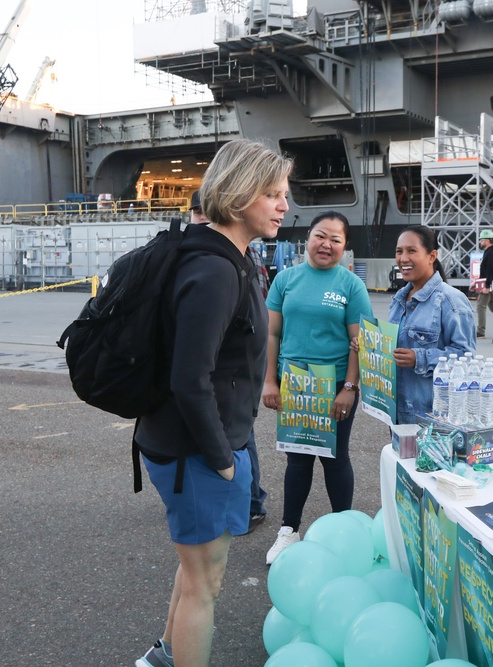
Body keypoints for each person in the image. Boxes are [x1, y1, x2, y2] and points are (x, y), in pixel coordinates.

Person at [135, 140, 293, 667]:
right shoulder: (215, 270)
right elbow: (189, 379)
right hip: (197, 452)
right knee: (207, 583)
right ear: (239, 193)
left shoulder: (231, 257)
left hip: (204, 443)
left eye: (284, 193)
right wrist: (224, 457)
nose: (283, 204)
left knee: (194, 567)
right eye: (272, 193)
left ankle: (164, 654)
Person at [261, 211, 374, 564]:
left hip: (336, 384)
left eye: (335, 240)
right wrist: (269, 380)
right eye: (320, 236)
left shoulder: (350, 285)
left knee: (335, 458)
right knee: (298, 459)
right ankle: (288, 530)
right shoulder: (286, 280)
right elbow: (272, 333)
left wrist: (350, 387)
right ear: (308, 238)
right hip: (294, 383)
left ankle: (346, 532)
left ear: (344, 246)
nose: (326, 245)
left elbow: (360, 341)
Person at [191, 189, 269, 527]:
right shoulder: (199, 260)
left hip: (234, 378)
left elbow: (259, 319)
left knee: (240, 440)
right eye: (197, 213)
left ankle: (251, 502)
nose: (202, 219)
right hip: (215, 375)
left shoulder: (242, 262)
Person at [389, 225, 476, 424]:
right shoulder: (398, 300)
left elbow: (467, 359)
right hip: (397, 412)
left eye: (412, 251)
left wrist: (419, 358)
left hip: (432, 417)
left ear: (432, 256)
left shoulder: (452, 301)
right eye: (399, 251)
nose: (403, 259)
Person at [474, 228, 493, 338]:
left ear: (487, 240)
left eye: (481, 240)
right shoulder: (489, 252)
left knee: (481, 306)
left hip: (490, 285)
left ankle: (480, 332)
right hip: (490, 284)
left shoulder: (491, 253)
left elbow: (491, 270)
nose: (480, 242)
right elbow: (486, 271)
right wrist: (476, 284)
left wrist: (487, 286)